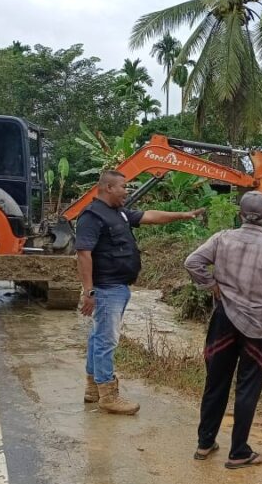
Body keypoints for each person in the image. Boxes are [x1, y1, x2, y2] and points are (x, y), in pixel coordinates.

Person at [184, 191, 262, 469]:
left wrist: (212, 285)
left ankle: (205, 443)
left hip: (223, 321)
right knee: (247, 388)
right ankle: (238, 453)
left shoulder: (223, 238)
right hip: (258, 329)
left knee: (216, 383)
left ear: (240, 213)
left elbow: (192, 262)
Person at [76, 170, 204, 415]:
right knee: (106, 340)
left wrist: (182, 215)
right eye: (124, 186)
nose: (127, 191)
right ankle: (108, 395)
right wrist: (88, 292)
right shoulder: (92, 216)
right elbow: (83, 253)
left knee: (98, 337)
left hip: (118, 287)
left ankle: (93, 389)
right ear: (108, 188)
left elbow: (151, 216)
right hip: (106, 288)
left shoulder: (119, 212)